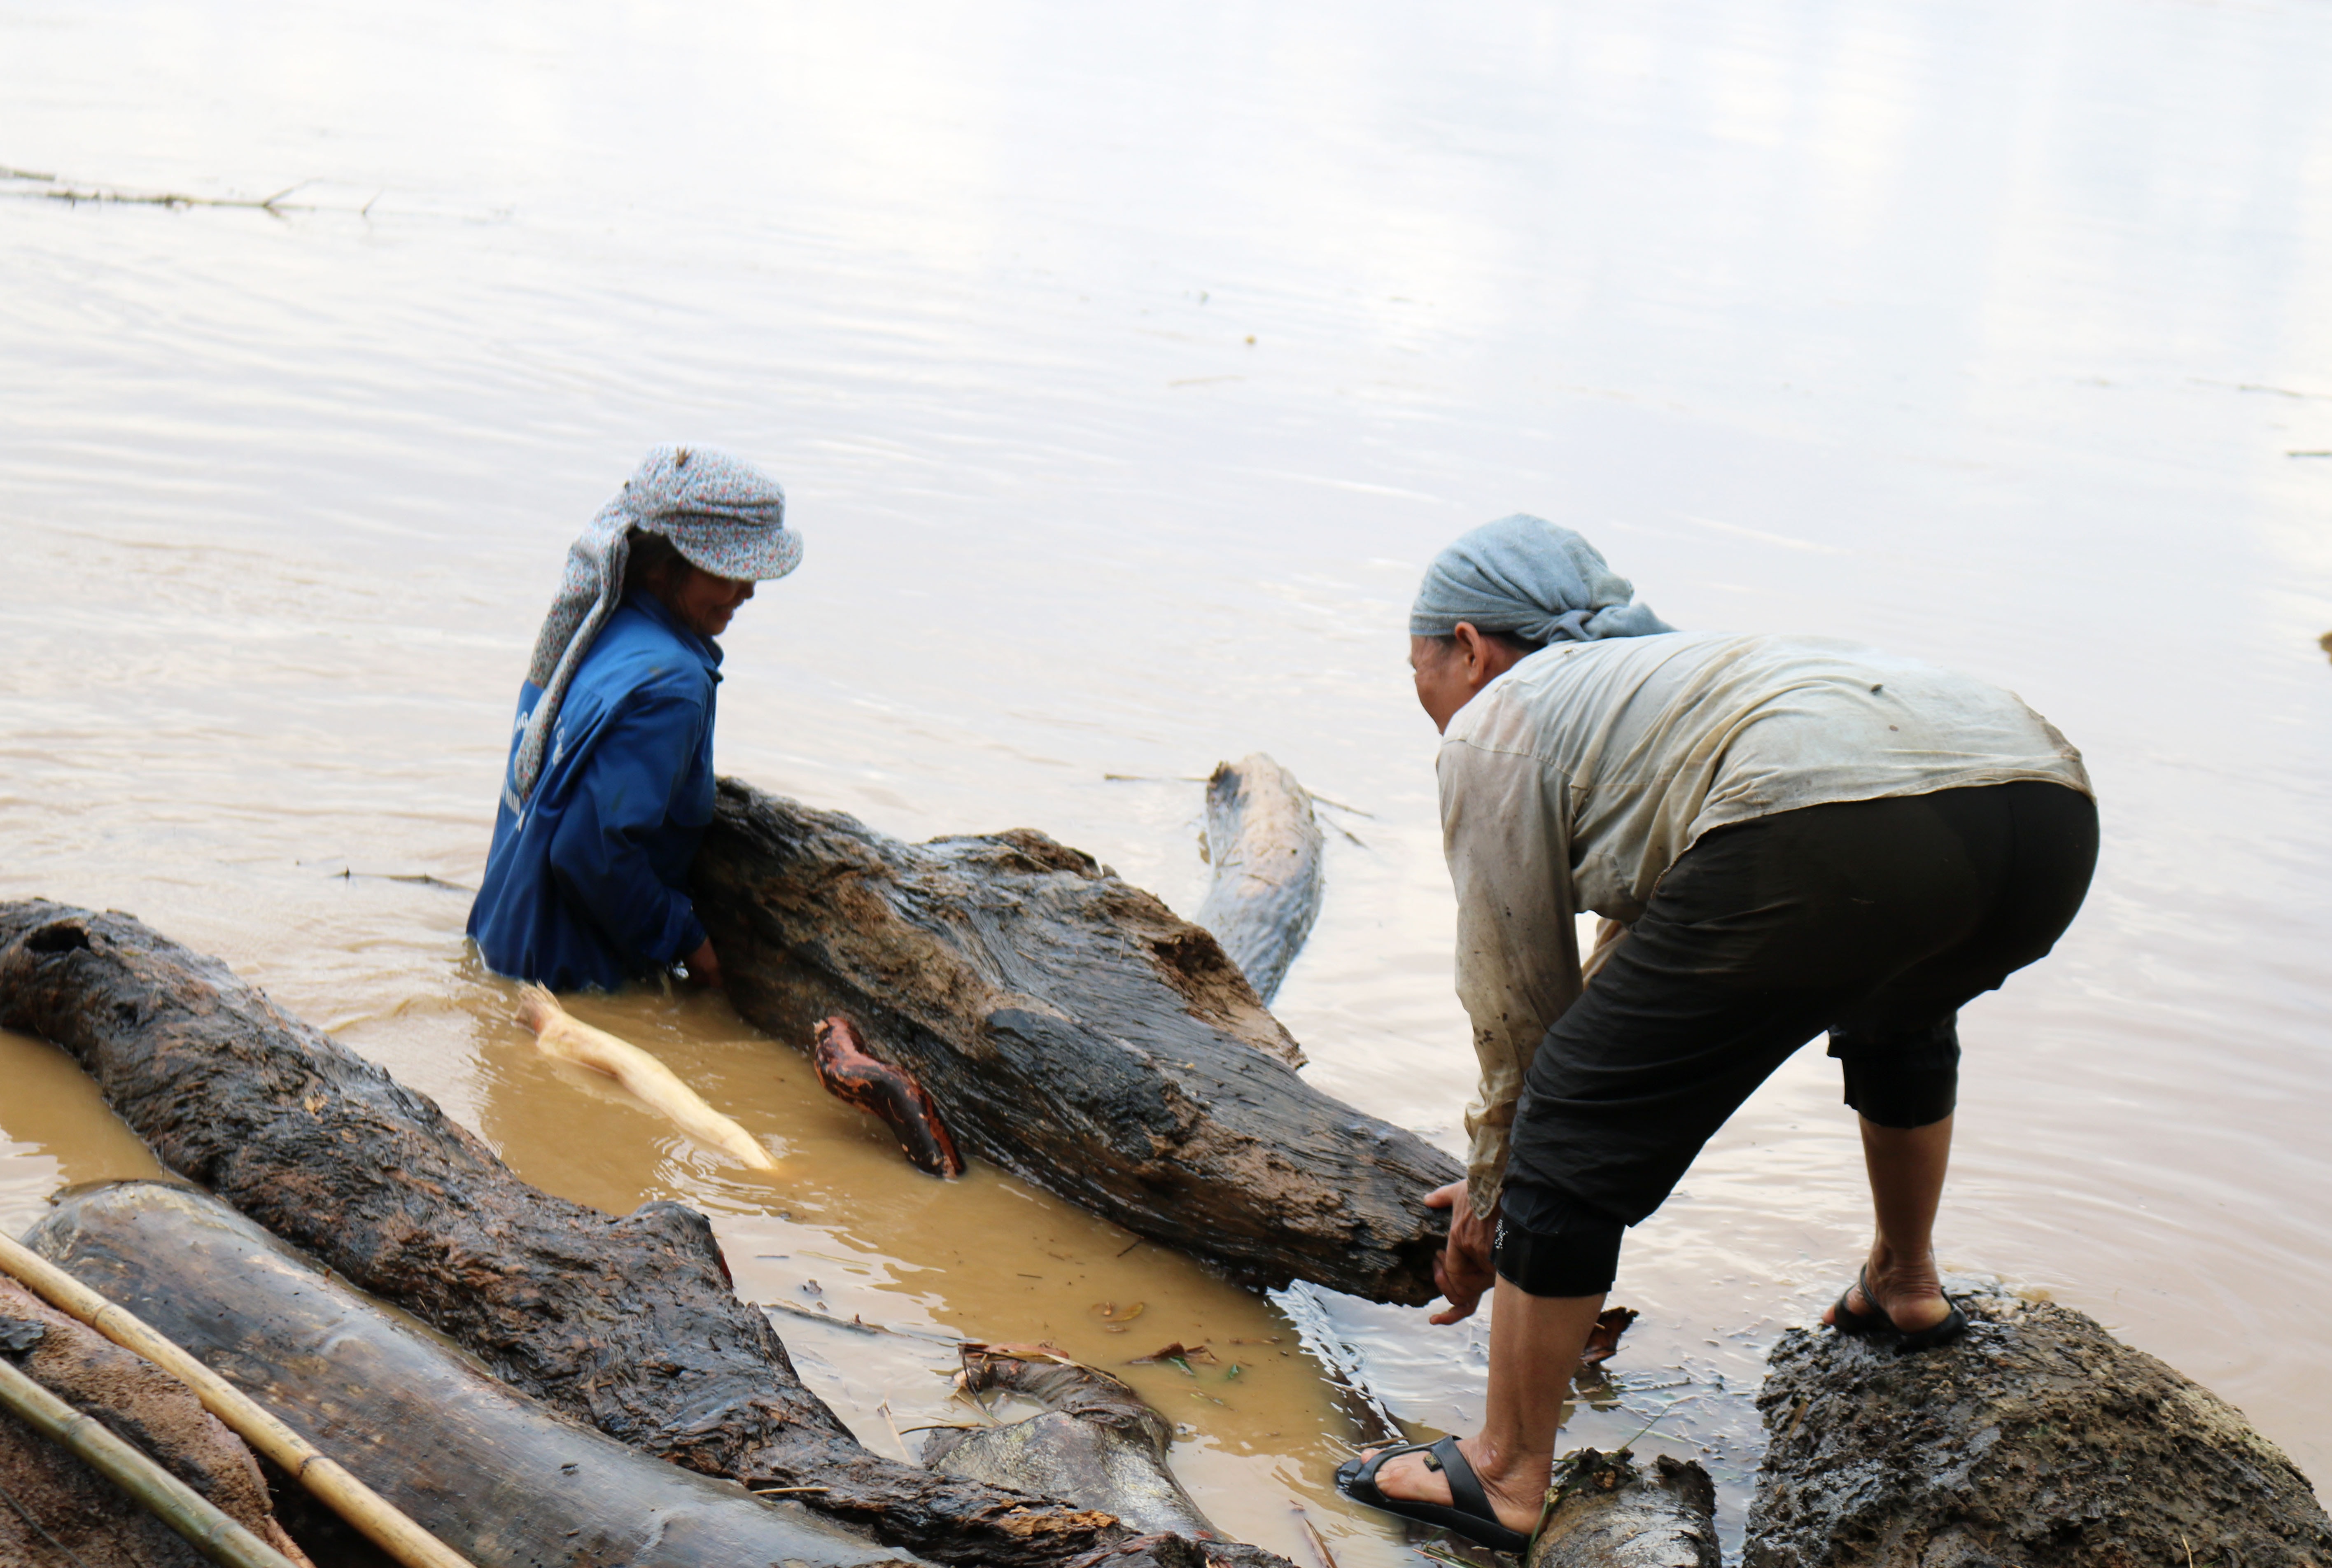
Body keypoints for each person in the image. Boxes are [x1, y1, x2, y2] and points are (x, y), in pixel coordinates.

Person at [1335, 515, 2096, 1551]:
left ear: (1467, 646)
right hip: (2044, 810)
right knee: (1899, 1002)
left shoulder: (1499, 719)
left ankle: (1504, 1469)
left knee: (1570, 1116)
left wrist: (1499, 1177)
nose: (1425, 700)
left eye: (1418, 668)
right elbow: (1642, 956)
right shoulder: (1670, 688)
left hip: (1831, 816)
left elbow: (1520, 1003)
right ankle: (1906, 1282)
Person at [467, 445, 801, 992]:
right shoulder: (673, 686)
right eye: (730, 571)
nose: (749, 591)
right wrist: (693, 944)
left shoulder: (595, 624)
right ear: (666, 565)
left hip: (500, 946)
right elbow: (591, 853)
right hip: (568, 987)